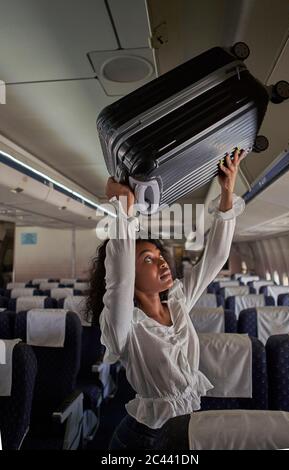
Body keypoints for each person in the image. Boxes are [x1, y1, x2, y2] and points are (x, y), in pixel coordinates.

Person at [86, 149, 245, 450]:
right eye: (147, 259)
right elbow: (118, 277)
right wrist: (122, 208)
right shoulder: (125, 326)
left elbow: (215, 258)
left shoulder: (178, 301)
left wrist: (227, 193)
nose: (162, 264)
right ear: (131, 276)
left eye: (160, 256)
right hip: (145, 438)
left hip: (189, 426)